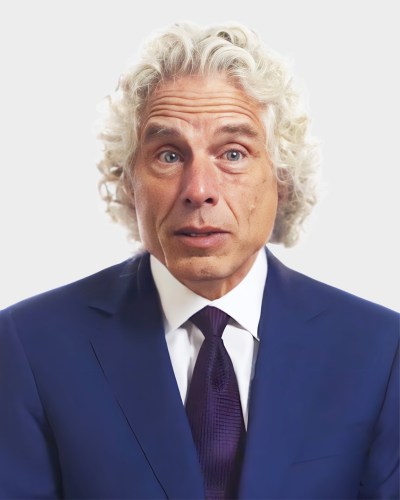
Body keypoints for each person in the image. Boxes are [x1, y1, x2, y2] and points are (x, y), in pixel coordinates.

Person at [0, 22, 398, 500]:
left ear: (283, 178)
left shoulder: (380, 351)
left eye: (233, 153)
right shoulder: (29, 346)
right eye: (168, 155)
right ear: (129, 182)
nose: (199, 190)